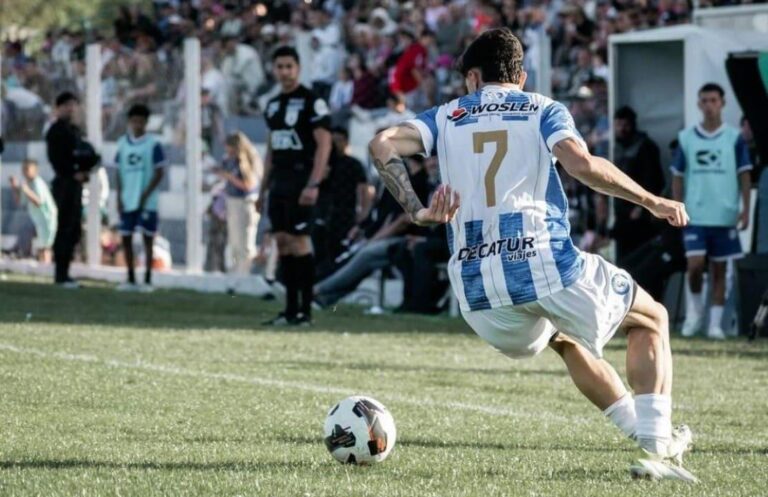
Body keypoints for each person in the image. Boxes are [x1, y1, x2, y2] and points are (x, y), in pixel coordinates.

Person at [369, 28, 695, 481]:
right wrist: (652, 201)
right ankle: (660, 452)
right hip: (542, 265)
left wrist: (418, 210)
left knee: (565, 338)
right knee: (652, 317)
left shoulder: (446, 116)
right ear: (520, 75)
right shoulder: (541, 107)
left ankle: (640, 432)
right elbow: (583, 167)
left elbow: (381, 142)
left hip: (477, 292)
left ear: (474, 77)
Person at [257, 46, 332, 326]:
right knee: (282, 243)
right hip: (279, 180)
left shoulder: (312, 101)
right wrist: (262, 189)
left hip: (302, 179)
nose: (285, 72)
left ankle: (305, 312)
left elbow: (324, 144)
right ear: (274, 70)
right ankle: (289, 311)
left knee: (300, 242)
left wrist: (314, 182)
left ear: (298, 68)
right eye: (280, 67)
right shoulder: (273, 105)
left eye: (289, 66)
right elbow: (270, 149)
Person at [672, 83, 752, 340]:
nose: (709, 105)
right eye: (704, 101)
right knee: (694, 266)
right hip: (694, 214)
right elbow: (678, 176)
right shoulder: (687, 138)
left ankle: (715, 324)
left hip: (724, 214)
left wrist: (745, 209)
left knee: (719, 270)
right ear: (698, 104)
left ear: (722, 103)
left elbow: (745, 175)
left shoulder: (734, 138)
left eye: (713, 100)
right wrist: (677, 206)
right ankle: (694, 317)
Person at [115, 104, 166, 291]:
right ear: (129, 122)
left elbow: (160, 171)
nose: (137, 125)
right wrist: (119, 196)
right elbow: (119, 172)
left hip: (147, 200)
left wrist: (146, 193)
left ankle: (147, 280)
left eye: (141, 121)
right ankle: (130, 278)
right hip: (128, 199)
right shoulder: (122, 143)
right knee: (126, 238)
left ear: (146, 123)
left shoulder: (153, 144)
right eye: (134, 121)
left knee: (148, 239)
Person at [46, 92, 89, 288]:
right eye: (66, 105)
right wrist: (72, 173)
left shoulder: (75, 130)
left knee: (73, 228)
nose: (70, 109)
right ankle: (60, 274)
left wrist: (85, 170)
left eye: (73, 105)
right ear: (58, 108)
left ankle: (66, 272)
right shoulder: (56, 131)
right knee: (64, 227)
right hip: (64, 184)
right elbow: (56, 159)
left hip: (75, 185)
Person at [612, 106, 665, 266]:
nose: (622, 129)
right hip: (622, 213)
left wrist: (642, 207)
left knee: (641, 262)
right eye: (619, 124)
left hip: (640, 215)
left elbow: (654, 180)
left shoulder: (646, 147)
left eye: (625, 125)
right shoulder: (616, 148)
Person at [215, 132, 263, 275]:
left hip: (246, 203)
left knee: (246, 243)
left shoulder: (248, 159)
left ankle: (245, 273)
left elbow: (249, 184)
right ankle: (236, 273)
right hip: (232, 202)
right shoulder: (228, 160)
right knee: (234, 242)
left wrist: (229, 176)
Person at [9, 159, 58, 263]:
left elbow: (38, 202)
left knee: (46, 247)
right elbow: (20, 202)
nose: (24, 171)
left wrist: (26, 190)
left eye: (27, 169)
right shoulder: (27, 184)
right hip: (38, 220)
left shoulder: (37, 183)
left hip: (47, 219)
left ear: (35, 170)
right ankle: (43, 269)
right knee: (41, 246)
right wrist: (14, 188)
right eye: (23, 169)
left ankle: (46, 267)